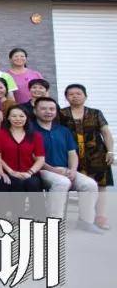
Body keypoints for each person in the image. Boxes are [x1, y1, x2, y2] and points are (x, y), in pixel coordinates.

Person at [34, 97, 103, 233]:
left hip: (65, 170)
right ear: (35, 111)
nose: (48, 111)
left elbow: (72, 153)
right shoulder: (30, 130)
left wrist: (73, 170)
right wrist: (53, 170)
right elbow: (32, 156)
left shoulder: (63, 130)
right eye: (43, 109)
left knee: (90, 184)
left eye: (52, 109)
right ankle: (54, 222)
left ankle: (86, 221)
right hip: (42, 169)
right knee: (62, 182)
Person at [58, 83, 113, 229]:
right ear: (66, 97)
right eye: (71, 94)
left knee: (101, 185)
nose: (75, 96)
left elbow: (106, 133)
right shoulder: (61, 113)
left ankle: (100, 217)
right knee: (79, 185)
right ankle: (84, 217)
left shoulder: (95, 113)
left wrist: (110, 151)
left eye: (78, 93)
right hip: (71, 155)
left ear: (85, 96)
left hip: (96, 154)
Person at [0, 106, 45, 218]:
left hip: (29, 172)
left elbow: (40, 158)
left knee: (33, 183)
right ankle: (17, 216)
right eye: (14, 116)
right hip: (8, 172)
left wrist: (30, 172)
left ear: (27, 118)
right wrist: (11, 172)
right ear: (8, 118)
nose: (18, 119)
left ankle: (40, 218)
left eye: (21, 116)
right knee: (16, 183)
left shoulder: (35, 136)